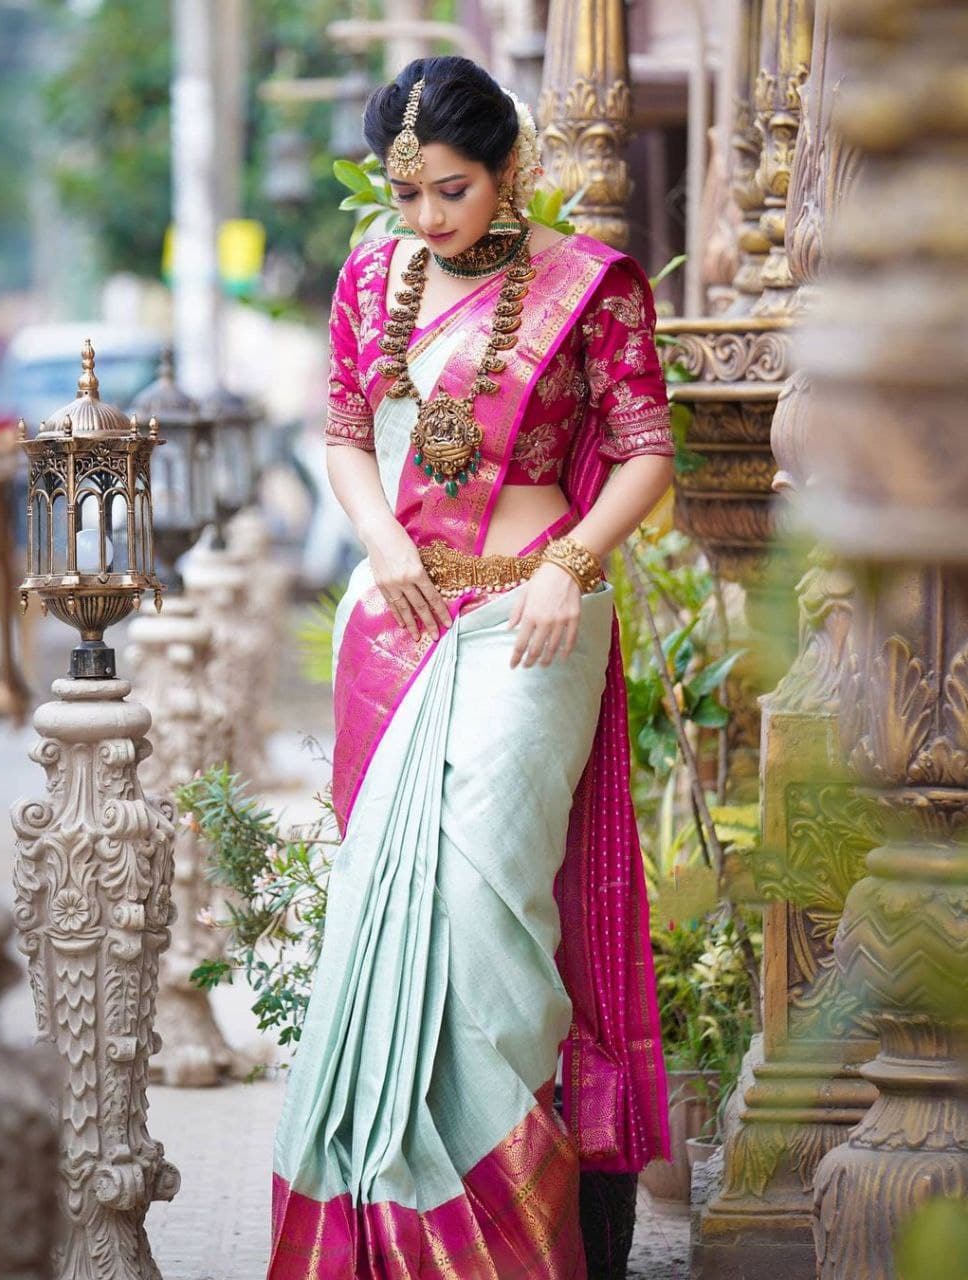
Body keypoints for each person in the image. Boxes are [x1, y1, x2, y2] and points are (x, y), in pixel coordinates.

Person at [268, 56, 673, 1279]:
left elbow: (647, 454)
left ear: (511, 171)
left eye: (453, 190)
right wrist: (383, 540)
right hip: (395, 613)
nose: (428, 220)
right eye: (409, 197)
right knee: (382, 911)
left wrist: (574, 563)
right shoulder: (371, 279)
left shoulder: (589, 288)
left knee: (487, 896)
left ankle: (509, 1222)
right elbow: (344, 439)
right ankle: (396, 1222)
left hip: (536, 615)